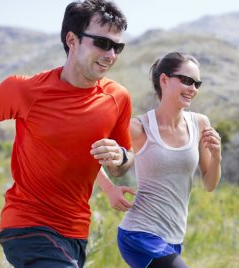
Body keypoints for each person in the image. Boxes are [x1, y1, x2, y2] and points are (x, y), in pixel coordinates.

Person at [0, 0, 133, 267]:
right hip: (27, 226)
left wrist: (121, 157)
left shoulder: (118, 98)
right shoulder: (24, 90)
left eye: (118, 47)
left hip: (76, 232)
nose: (111, 55)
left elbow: (120, 167)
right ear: (72, 39)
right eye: (103, 43)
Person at [96, 52, 222, 268]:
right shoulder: (139, 127)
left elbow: (209, 184)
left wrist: (217, 155)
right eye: (187, 80)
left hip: (173, 239)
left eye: (197, 83)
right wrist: (108, 188)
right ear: (164, 80)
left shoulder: (200, 124)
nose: (193, 88)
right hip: (139, 235)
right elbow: (88, 150)